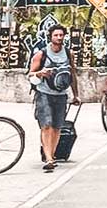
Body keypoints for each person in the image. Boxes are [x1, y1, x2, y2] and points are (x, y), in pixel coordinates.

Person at [28, 24, 80, 171]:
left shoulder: (68, 53)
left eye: (61, 35)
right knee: (46, 125)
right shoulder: (41, 54)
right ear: (50, 37)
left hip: (61, 94)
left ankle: (50, 153)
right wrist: (40, 73)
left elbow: (73, 75)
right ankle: (49, 159)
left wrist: (75, 95)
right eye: (56, 35)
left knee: (57, 126)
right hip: (44, 93)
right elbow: (30, 74)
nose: (59, 38)